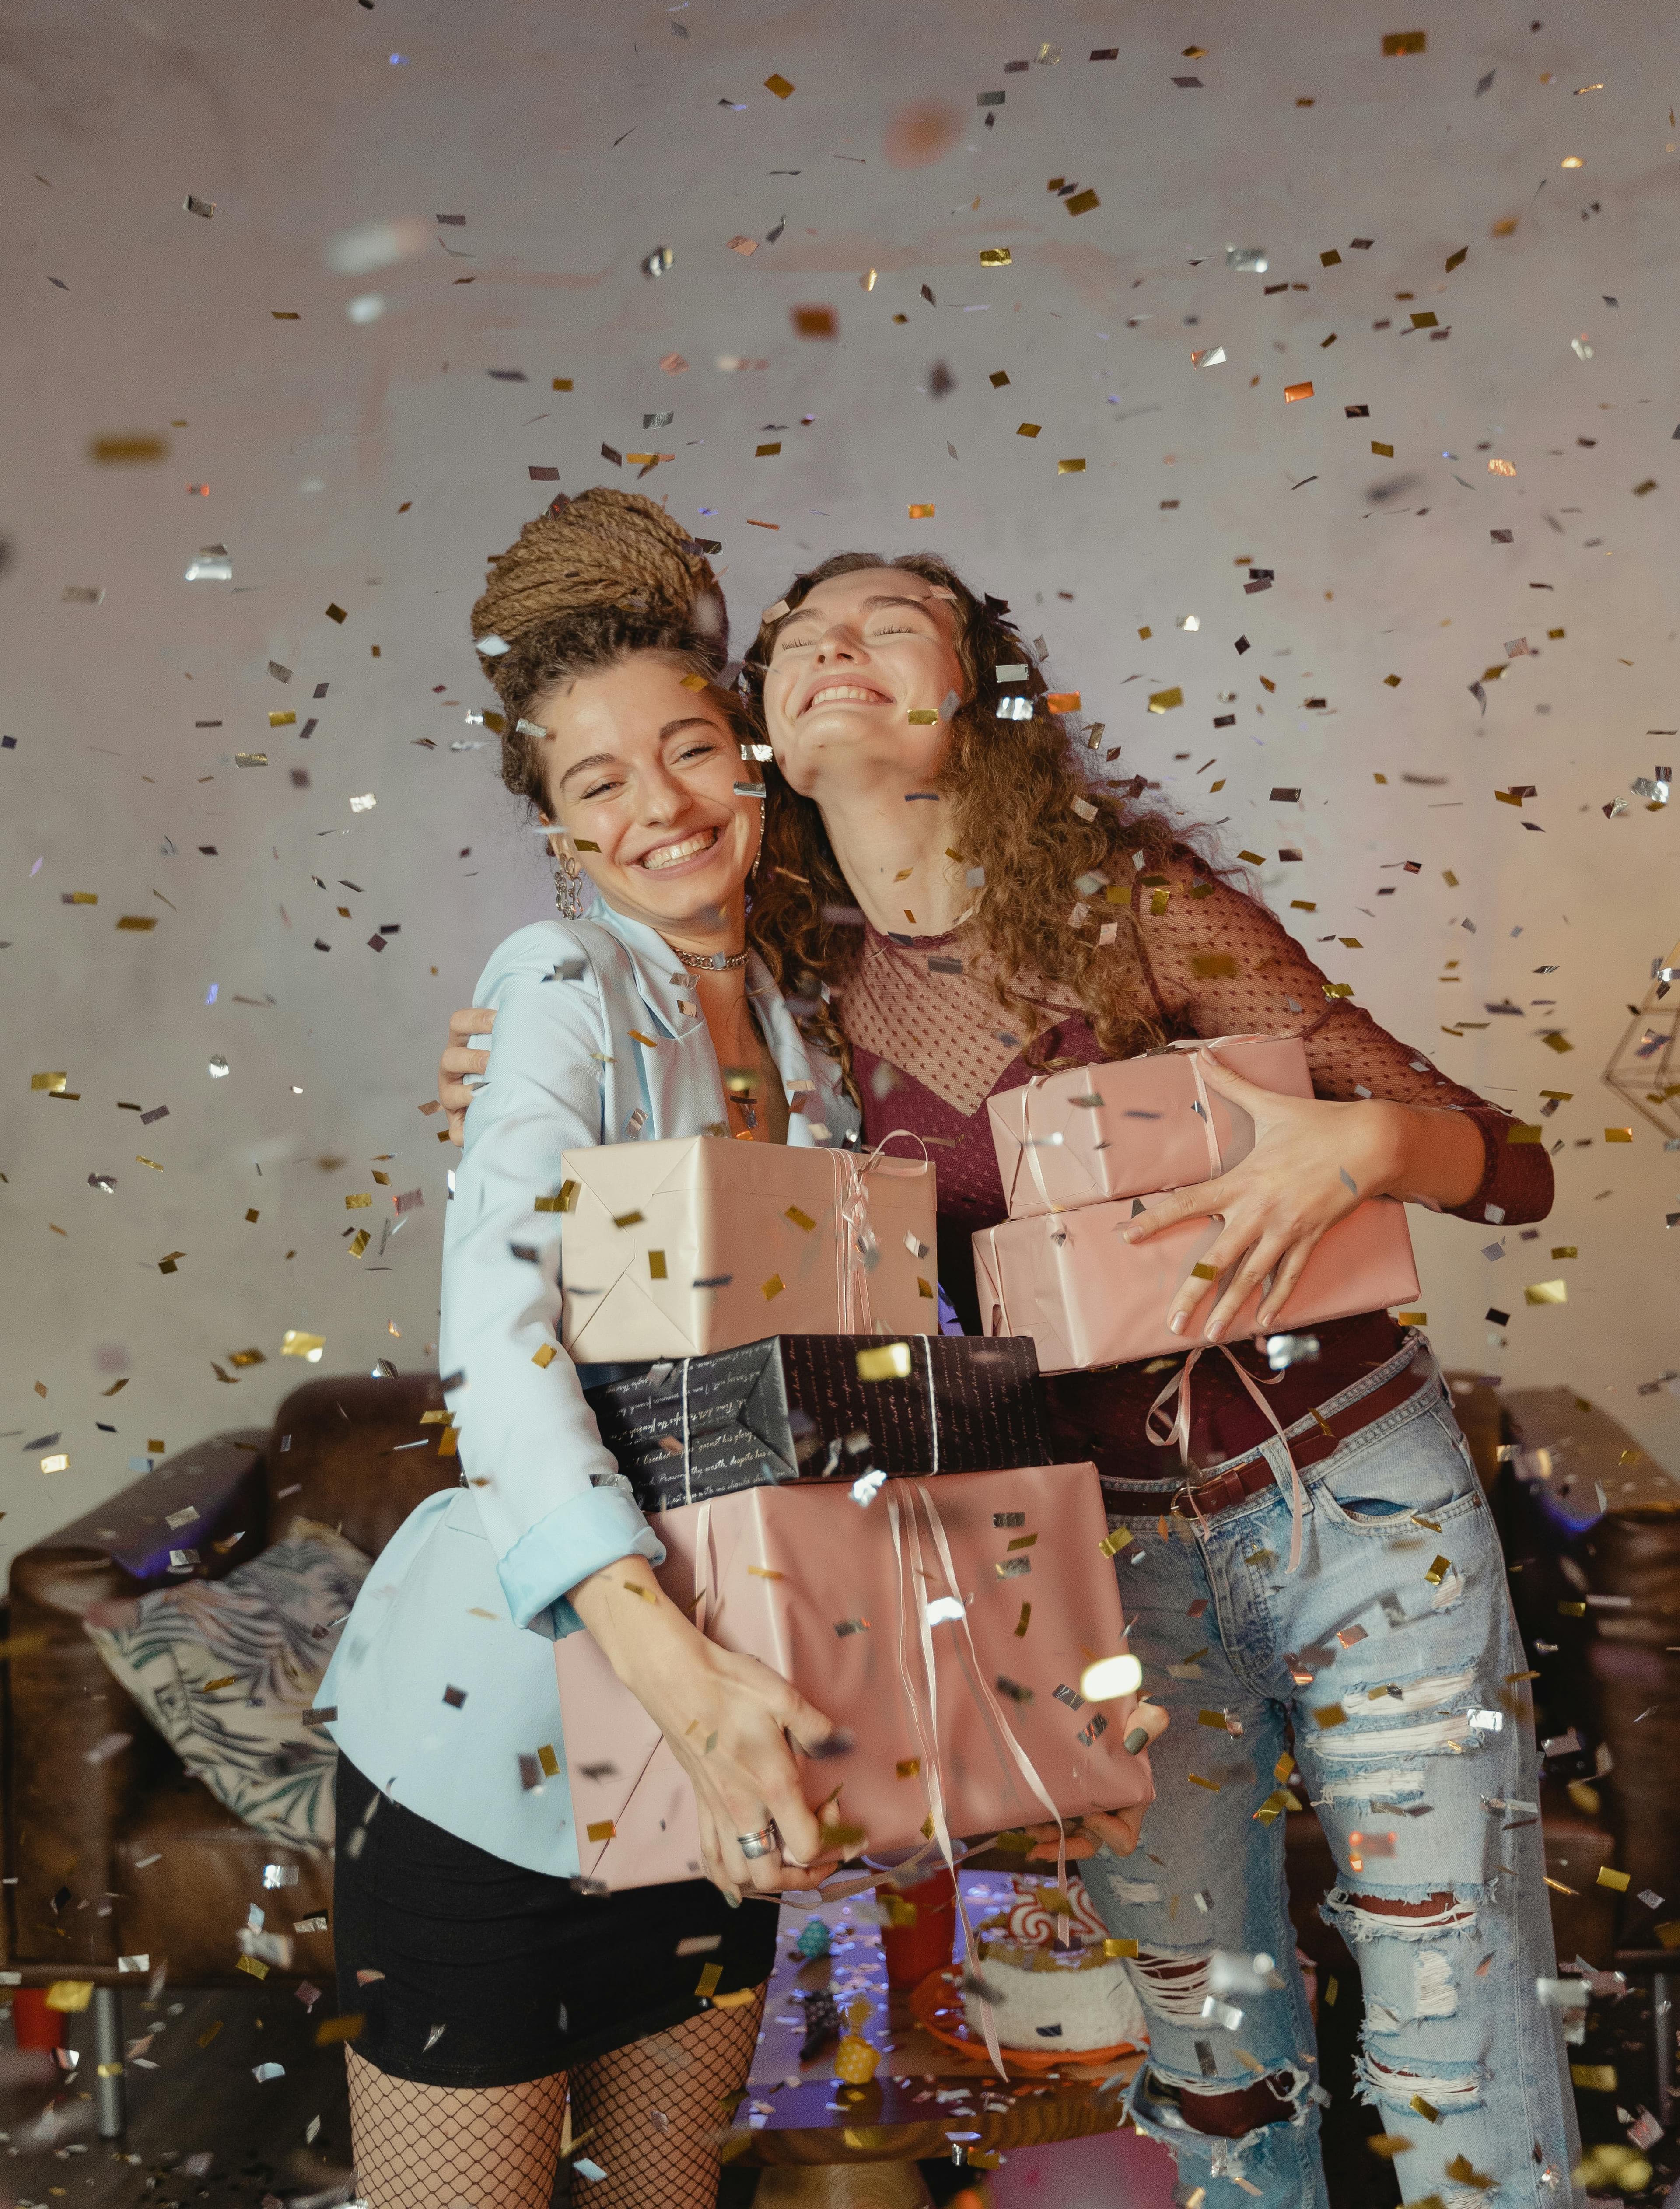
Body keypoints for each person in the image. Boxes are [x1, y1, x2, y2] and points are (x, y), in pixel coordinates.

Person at [443, 546, 1578, 2209]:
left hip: (1359, 1501)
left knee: (1449, 2027)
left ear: (976, 693)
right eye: (800, 638)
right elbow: (616, 1122)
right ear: (762, 724)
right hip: (1106, 1563)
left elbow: (1515, 1169)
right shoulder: (778, 987)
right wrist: (507, 1059)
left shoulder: (1137, 902)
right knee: (1210, 2041)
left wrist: (1363, 1144)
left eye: (888, 624)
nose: (838, 649)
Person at [323, 492, 861, 2209]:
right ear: (557, 836)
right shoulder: (561, 984)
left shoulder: (801, 1036)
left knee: (667, 2200)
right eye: (599, 784)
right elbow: (495, 1338)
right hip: (501, 1745)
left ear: (754, 762)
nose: (663, 809)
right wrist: (678, 1676)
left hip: (718, 1751)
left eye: (691, 750)